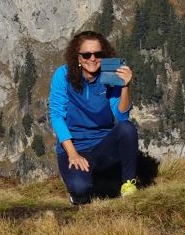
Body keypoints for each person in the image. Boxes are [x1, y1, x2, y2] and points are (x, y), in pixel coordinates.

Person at [48, 30, 139, 204]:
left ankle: (128, 184)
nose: (92, 58)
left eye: (98, 54)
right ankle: (91, 185)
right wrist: (73, 154)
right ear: (77, 57)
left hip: (103, 145)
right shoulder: (63, 75)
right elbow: (57, 115)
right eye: (86, 55)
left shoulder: (110, 74)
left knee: (127, 128)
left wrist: (125, 86)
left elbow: (122, 116)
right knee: (80, 190)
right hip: (75, 147)